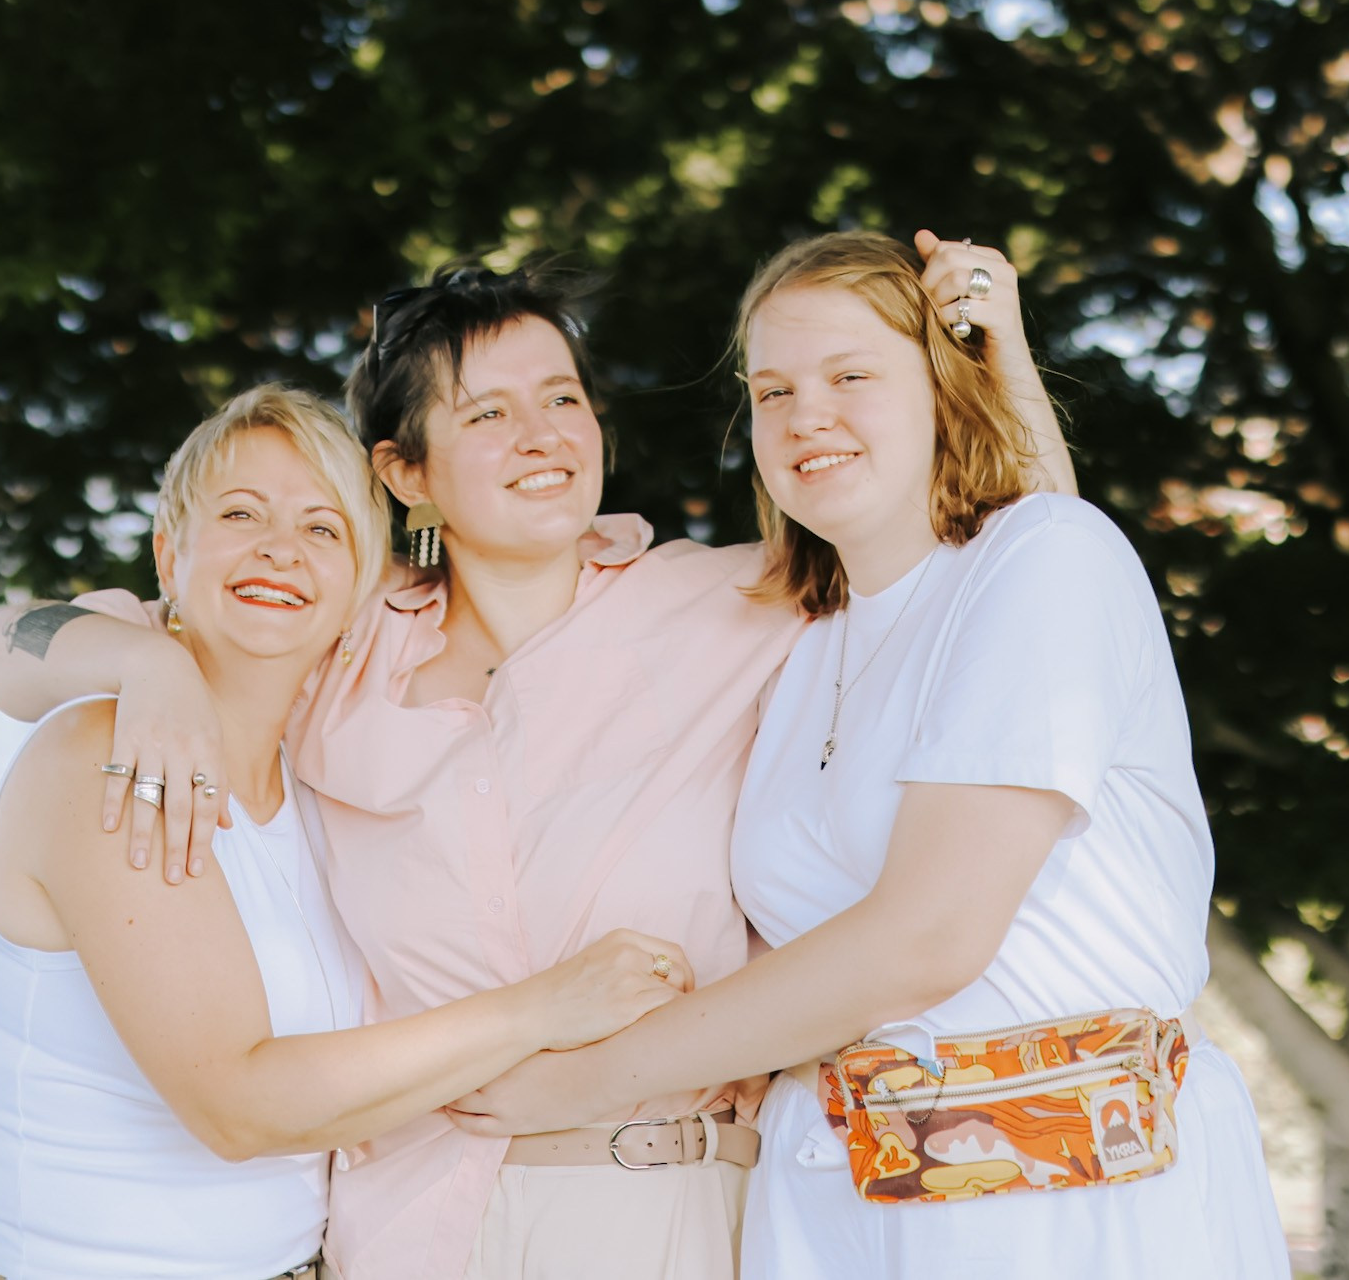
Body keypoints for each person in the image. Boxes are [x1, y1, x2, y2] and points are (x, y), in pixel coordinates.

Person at [0, 239, 1073, 1280]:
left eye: (561, 401)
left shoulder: (730, 601)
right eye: (485, 413)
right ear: (406, 475)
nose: (540, 435)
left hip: (658, 1205)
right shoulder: (337, 646)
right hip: (400, 1225)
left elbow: (1009, 571)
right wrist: (144, 670)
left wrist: (994, 357)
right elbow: (9, 648)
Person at [444, 233, 1290, 1277]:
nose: (806, 415)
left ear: (942, 387)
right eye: (771, 390)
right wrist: (173, 670)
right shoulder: (796, 640)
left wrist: (588, 1079)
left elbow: (924, 939)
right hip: (828, 1208)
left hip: (1062, 1210)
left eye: (851, 375)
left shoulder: (1047, 563)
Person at [0, 384, 690, 1279]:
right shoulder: (102, 755)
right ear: (167, 552)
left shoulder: (314, 789)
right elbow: (239, 1106)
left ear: (364, 584)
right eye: (240, 512)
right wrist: (544, 1006)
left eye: (322, 529)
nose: (279, 549)